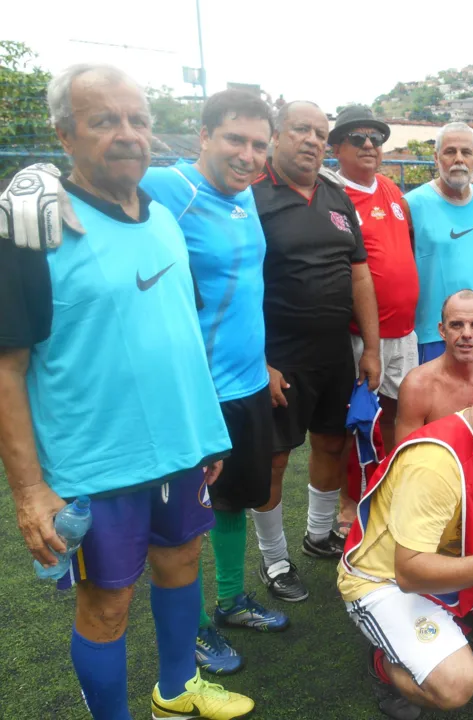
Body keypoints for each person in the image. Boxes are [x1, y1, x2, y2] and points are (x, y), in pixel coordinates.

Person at [0, 64, 253, 718]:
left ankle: (176, 690)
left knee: (181, 565)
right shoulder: (31, 229)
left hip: (180, 448)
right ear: (64, 134)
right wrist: (29, 492)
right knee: (107, 603)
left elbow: (178, 334)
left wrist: (206, 433)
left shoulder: (165, 215)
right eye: (103, 120)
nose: (127, 134)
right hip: (94, 466)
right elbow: (7, 367)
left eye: (137, 120)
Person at [138, 91, 292, 668]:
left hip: (248, 383)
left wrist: (266, 363)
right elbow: (88, 193)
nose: (249, 155)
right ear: (203, 136)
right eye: (235, 139)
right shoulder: (170, 189)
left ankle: (229, 601)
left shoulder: (245, 194)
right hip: (195, 394)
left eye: (258, 144)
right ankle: (194, 627)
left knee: (234, 502)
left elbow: (244, 288)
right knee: (185, 525)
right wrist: (37, 185)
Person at [337, 347, 473, 719]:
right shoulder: (436, 461)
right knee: (457, 686)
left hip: (465, 558)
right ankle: (382, 662)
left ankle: (467, 616)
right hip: (384, 579)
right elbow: (409, 572)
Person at [251, 101, 382, 575]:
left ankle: (319, 533)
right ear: (277, 135)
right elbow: (237, 282)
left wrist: (371, 347)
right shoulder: (252, 194)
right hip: (278, 355)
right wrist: (257, 361)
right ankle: (275, 561)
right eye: (300, 129)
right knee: (275, 458)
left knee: (332, 443)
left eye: (318, 132)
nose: (311, 139)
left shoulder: (334, 196)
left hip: (334, 352)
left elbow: (360, 275)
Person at [332, 105, 419, 453]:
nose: (369, 144)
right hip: (363, 335)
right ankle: (350, 498)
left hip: (405, 331)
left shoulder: (388, 186)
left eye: (376, 138)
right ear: (337, 147)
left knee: (401, 413)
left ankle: (392, 481)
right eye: (357, 138)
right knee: (358, 421)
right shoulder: (332, 193)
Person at [403, 122, 473, 363]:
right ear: (436, 158)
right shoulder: (411, 204)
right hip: (433, 333)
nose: (459, 159)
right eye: (450, 152)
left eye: (466, 152)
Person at [395, 290, 473, 442]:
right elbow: (406, 458)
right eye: (457, 325)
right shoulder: (418, 386)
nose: (466, 334)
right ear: (442, 330)